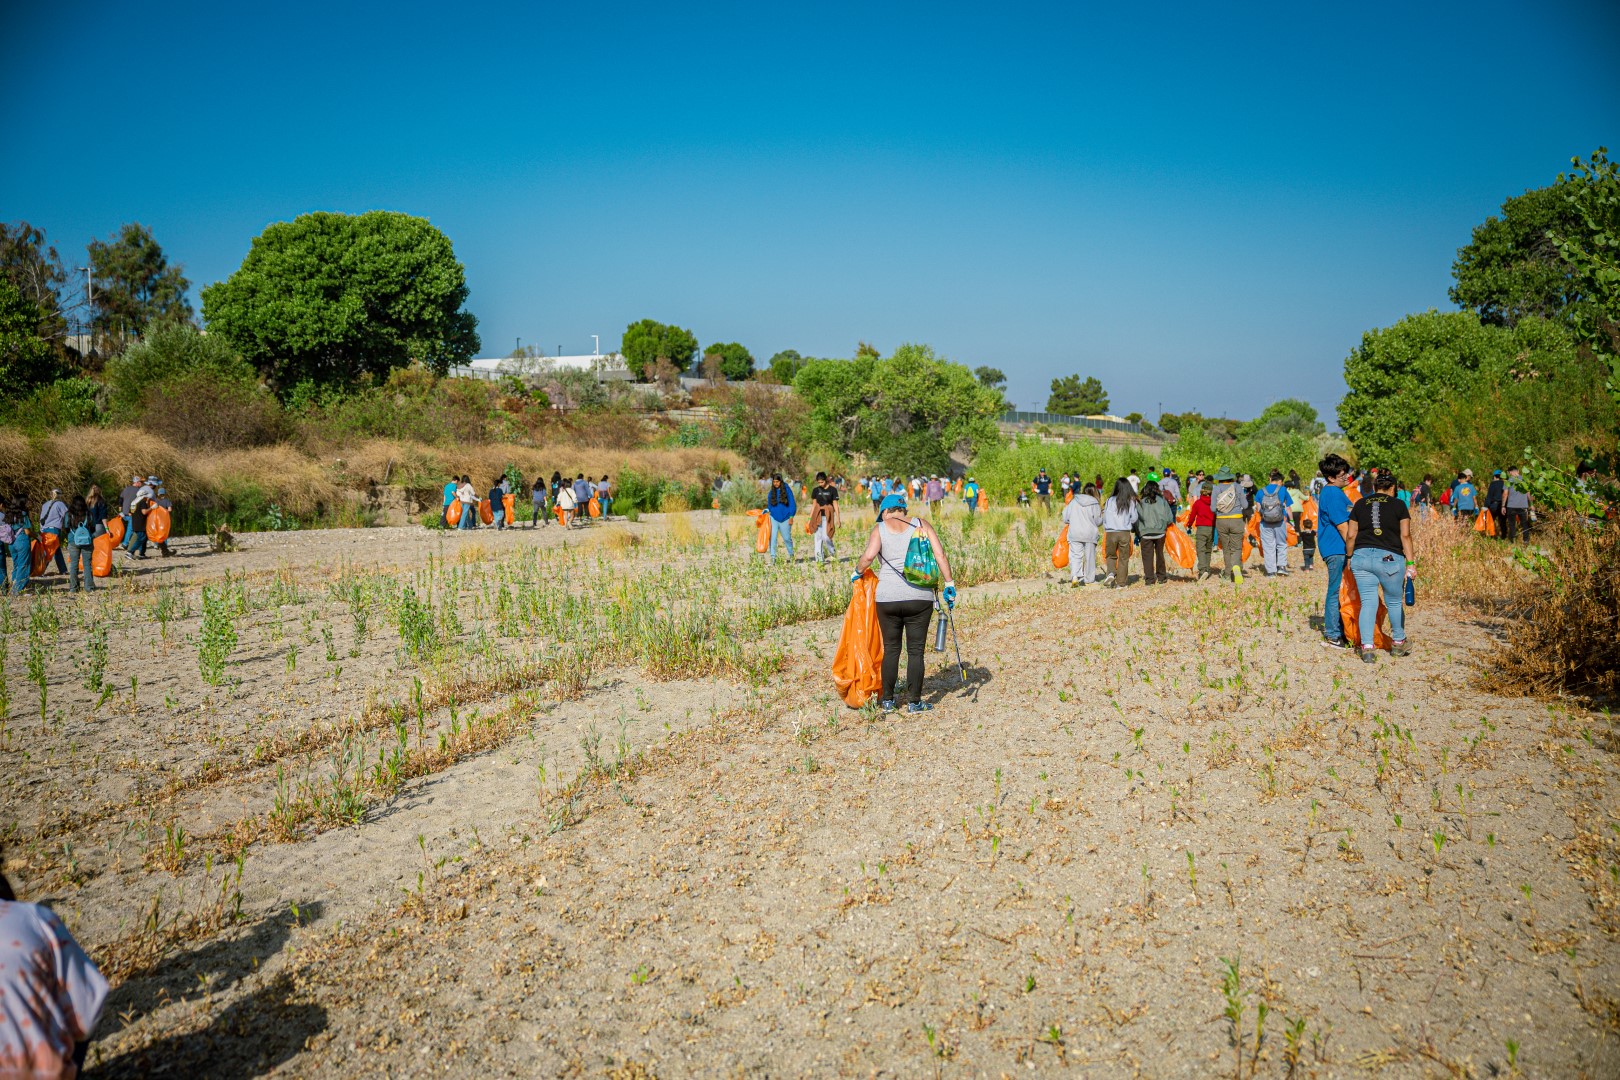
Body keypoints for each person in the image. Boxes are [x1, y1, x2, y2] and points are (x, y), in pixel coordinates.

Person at [854, 492, 956, 714]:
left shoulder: (879, 529)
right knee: (916, 651)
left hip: (887, 598)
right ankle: (914, 702)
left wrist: (857, 572)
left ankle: (888, 701)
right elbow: (940, 555)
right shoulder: (921, 524)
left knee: (891, 649)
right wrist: (949, 583)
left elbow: (869, 556)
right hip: (920, 598)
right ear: (903, 510)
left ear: (885, 511)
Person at [1345, 472, 1414, 663]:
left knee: (1368, 603)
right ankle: (1398, 643)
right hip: (1390, 558)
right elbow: (1405, 536)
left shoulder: (1360, 504)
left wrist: (1349, 556)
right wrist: (1410, 563)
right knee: (1393, 602)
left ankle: (1367, 648)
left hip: (1362, 557)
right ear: (1392, 488)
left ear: (1375, 487)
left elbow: (1351, 535)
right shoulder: (1399, 505)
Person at [1314, 454, 1355, 648]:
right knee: (1336, 590)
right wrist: (1352, 551)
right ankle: (1333, 634)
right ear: (1330, 477)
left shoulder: (1334, 492)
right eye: (1342, 473)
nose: (1346, 476)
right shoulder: (1333, 494)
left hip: (1337, 548)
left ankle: (1342, 629)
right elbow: (1343, 526)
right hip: (1337, 548)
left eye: (1346, 471)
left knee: (1340, 589)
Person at [1061, 481, 1103, 586]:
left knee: (1075, 555)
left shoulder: (1074, 501)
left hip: (1075, 532)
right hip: (1089, 533)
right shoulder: (1094, 503)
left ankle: (1075, 576)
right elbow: (1098, 521)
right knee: (1089, 557)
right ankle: (1089, 579)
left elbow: (1065, 517)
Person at [1135, 479, 1175, 585]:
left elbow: (1135, 519)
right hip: (1160, 532)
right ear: (1157, 489)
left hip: (1145, 533)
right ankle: (1161, 577)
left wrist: (1136, 531)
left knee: (1147, 557)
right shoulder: (1162, 501)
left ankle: (1149, 579)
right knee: (1160, 554)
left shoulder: (1140, 502)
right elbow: (1170, 518)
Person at [1210, 468, 1247, 582]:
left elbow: (1212, 508)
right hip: (1236, 520)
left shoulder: (1216, 489)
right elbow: (1245, 505)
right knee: (1236, 547)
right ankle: (1236, 567)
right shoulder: (1237, 487)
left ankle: (1227, 573)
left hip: (1221, 521)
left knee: (1226, 548)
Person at [1101, 478, 1139, 587]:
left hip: (1111, 532)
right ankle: (1121, 584)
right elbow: (1134, 518)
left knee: (1111, 555)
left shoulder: (1109, 500)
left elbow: (1105, 517)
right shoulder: (1130, 501)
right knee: (1123, 558)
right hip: (1124, 533)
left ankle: (1111, 572)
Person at [61, 495, 102, 594]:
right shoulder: (89, 514)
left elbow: (66, 527)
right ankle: (89, 587)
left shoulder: (68, 514)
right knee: (87, 564)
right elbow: (93, 528)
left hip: (73, 541)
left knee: (74, 565)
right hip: (87, 542)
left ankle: (73, 588)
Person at [1256, 470, 1293, 577]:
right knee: (1281, 544)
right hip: (1280, 522)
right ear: (1279, 481)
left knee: (1268, 546)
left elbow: (1258, 508)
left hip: (1265, 522)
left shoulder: (1260, 491)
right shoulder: (1283, 490)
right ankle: (1281, 567)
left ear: (1270, 479)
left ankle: (1271, 572)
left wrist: (1265, 515)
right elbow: (1288, 507)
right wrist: (1291, 521)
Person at [4, 496, 34, 595]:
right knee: (24, 565)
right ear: (22, 503)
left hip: (11, 542)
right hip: (22, 540)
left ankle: (14, 583)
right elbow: (27, 531)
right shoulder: (23, 515)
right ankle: (17, 590)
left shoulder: (9, 514)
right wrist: (36, 535)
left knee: (16, 564)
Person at [1186, 481, 1215, 580]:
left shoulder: (1198, 503)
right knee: (1208, 550)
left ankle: (1203, 570)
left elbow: (1192, 516)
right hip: (1211, 528)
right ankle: (1207, 568)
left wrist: (1189, 525)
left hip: (1201, 529)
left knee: (1200, 550)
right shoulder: (1214, 503)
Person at [809, 472, 840, 565]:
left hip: (828, 516)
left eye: (822, 482)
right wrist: (810, 518)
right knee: (818, 538)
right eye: (819, 482)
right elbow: (814, 505)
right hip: (817, 516)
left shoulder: (833, 490)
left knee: (826, 536)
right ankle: (819, 559)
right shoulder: (815, 490)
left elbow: (835, 504)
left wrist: (838, 518)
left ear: (826, 480)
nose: (820, 484)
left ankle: (832, 552)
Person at [766, 474, 796, 563]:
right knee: (773, 537)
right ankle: (773, 558)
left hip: (786, 518)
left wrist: (791, 516)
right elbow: (770, 505)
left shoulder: (787, 490)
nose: (775, 483)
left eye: (777, 481)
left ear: (781, 481)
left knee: (787, 538)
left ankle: (791, 555)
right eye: (774, 482)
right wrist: (767, 510)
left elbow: (792, 504)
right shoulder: (771, 492)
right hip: (774, 518)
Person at [1502, 466, 1531, 542]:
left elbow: (1505, 494)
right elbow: (1529, 493)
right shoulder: (1524, 480)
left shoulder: (1508, 481)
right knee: (1524, 524)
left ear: (1510, 472)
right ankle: (1526, 541)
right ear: (1518, 471)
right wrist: (1531, 504)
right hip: (1523, 505)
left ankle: (1513, 540)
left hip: (1511, 506)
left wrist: (1503, 506)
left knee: (1512, 524)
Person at [118, 474, 141, 550]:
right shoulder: (138, 491)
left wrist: (120, 510)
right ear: (137, 482)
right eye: (140, 482)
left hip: (123, 513)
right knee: (130, 528)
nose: (141, 484)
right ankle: (125, 544)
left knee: (129, 528)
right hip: (131, 513)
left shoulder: (126, 489)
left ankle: (129, 543)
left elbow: (120, 499)